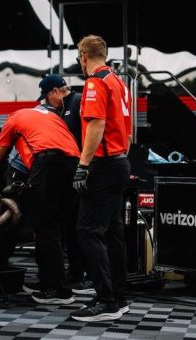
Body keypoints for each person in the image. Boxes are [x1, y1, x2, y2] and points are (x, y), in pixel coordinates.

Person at [0, 82, 81, 305]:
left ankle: (57, 290)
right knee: (56, 226)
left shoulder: (14, 118)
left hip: (48, 163)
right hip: (74, 165)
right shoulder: (53, 117)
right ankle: (53, 282)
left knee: (45, 226)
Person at [70, 35, 132, 322]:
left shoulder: (95, 82)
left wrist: (83, 166)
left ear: (83, 56)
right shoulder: (119, 83)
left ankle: (105, 300)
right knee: (113, 231)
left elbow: (96, 123)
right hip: (120, 162)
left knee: (87, 230)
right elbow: (127, 130)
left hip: (103, 165)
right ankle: (119, 296)